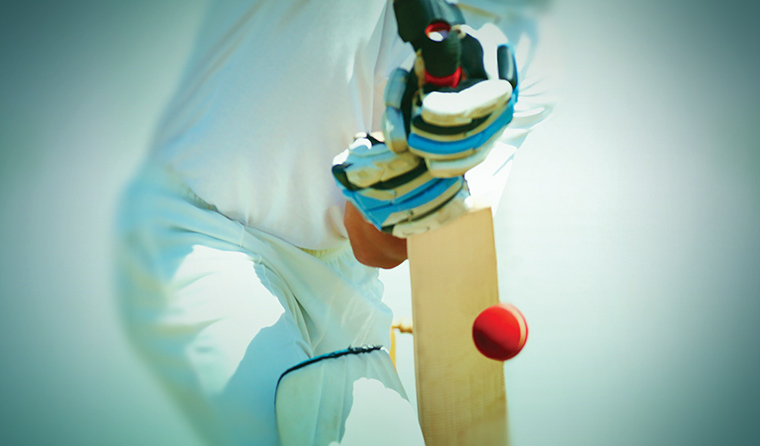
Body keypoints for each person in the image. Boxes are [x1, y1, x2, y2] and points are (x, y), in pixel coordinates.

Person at [115, 0, 553, 444]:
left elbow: (375, 247)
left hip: (342, 276)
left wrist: (392, 186)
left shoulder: (523, 55)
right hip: (205, 231)